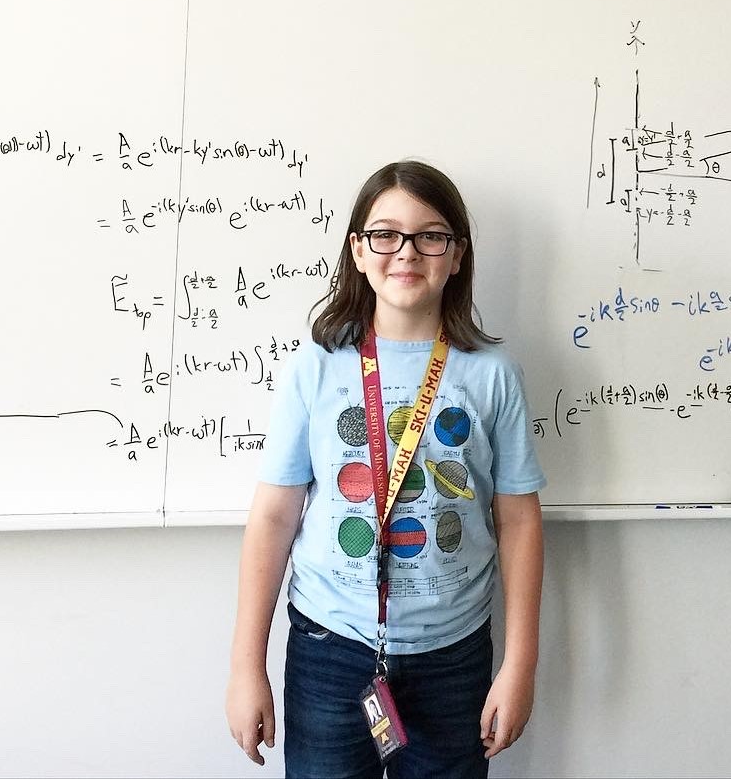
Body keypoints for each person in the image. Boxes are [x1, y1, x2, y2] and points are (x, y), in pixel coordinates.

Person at [225, 160, 546, 777]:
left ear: (456, 256)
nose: (407, 252)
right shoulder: (316, 366)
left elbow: (521, 522)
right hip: (328, 648)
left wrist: (520, 664)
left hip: (453, 655)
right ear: (358, 250)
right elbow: (272, 516)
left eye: (431, 235)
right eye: (386, 234)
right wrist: (246, 666)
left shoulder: (492, 375)